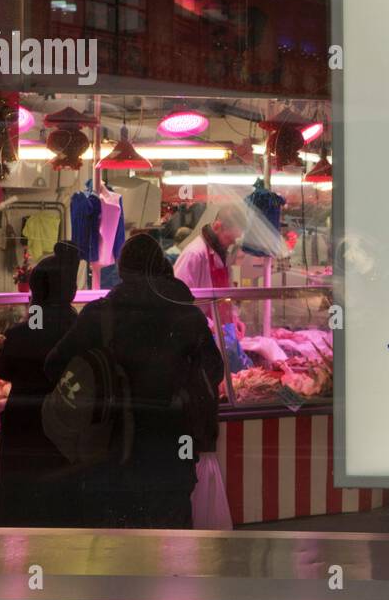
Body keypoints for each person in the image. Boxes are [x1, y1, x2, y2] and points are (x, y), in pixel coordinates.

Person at [45, 233, 223, 529]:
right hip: (172, 458)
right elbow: (213, 371)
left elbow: (55, 365)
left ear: (124, 270)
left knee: (116, 556)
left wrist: (98, 382)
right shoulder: (188, 315)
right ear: (162, 266)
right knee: (173, 553)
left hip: (110, 458)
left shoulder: (100, 314)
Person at [0, 241, 80, 526]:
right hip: (66, 434)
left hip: (25, 433)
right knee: (60, 512)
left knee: (23, 512)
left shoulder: (23, 332)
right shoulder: (79, 329)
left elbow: (2, 367)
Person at [173, 205, 248, 362]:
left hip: (219, 336)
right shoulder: (194, 254)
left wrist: (233, 320)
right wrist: (210, 325)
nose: (231, 244)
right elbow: (178, 300)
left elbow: (227, 294)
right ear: (217, 226)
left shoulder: (222, 253)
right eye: (230, 239)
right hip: (197, 337)